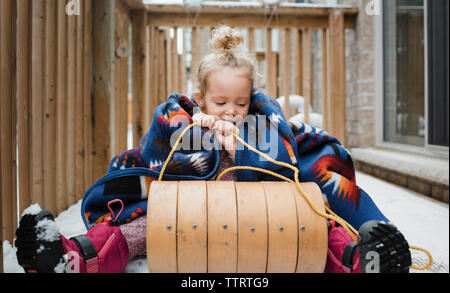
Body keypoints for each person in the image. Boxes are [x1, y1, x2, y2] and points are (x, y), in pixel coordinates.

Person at [15, 25, 411, 273]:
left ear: (251, 98)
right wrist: (200, 139)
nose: (232, 112)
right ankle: (73, 257)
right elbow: (156, 160)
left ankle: (362, 260)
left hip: (266, 217)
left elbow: (295, 168)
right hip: (184, 218)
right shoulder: (181, 122)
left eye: (240, 103)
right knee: (135, 230)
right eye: (221, 103)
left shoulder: (263, 126)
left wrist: (243, 151)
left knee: (316, 227)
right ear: (200, 98)